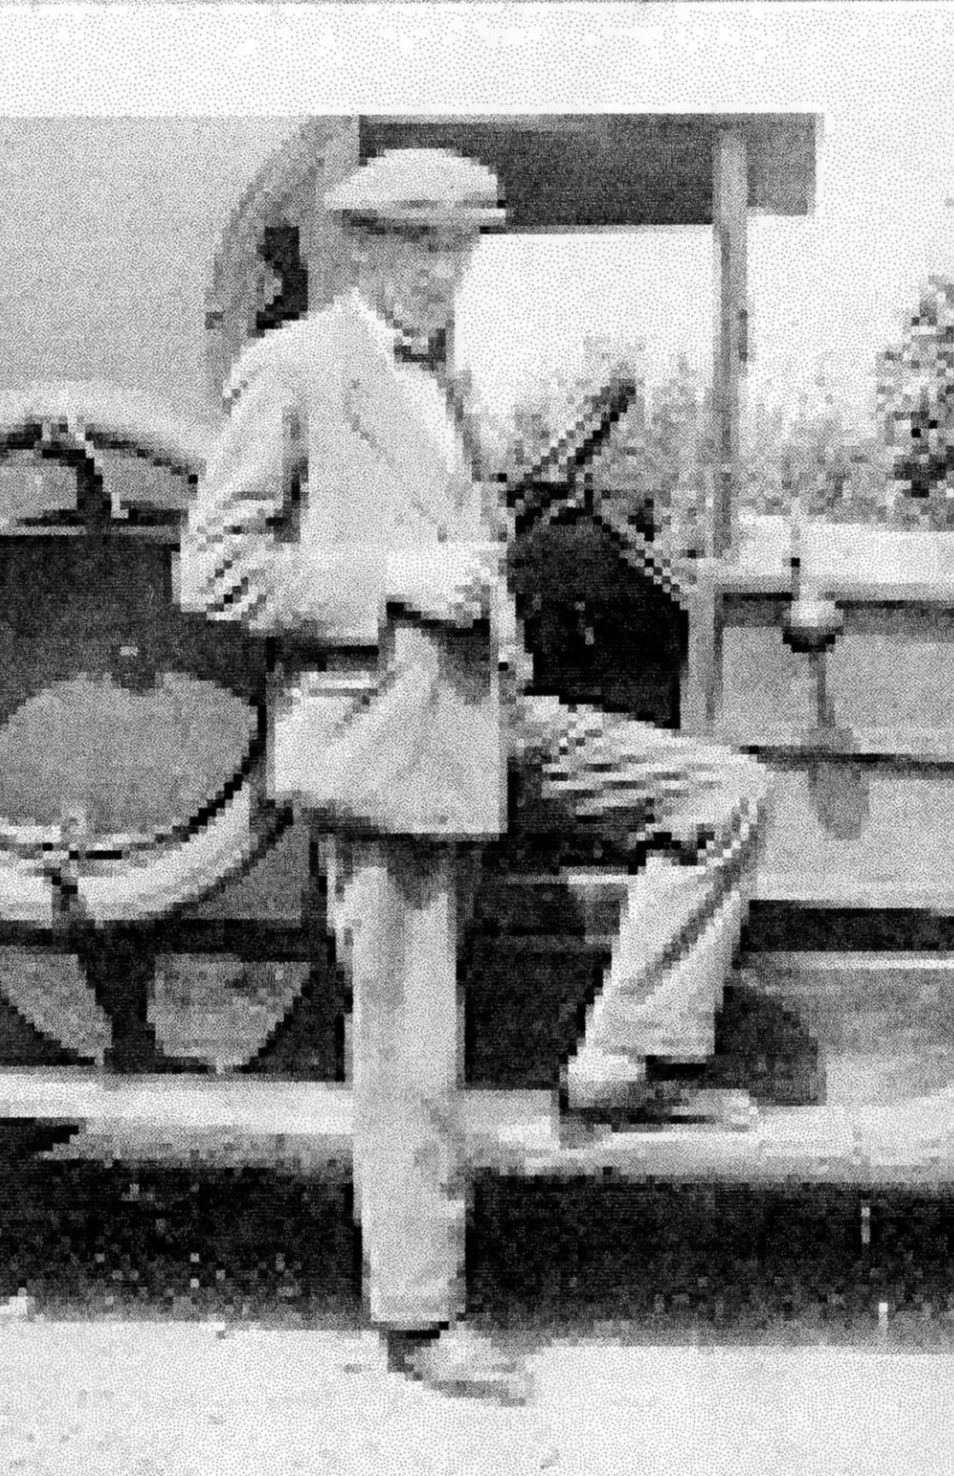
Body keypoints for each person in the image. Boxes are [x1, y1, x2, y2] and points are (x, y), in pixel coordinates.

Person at [176, 147, 772, 1403]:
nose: (442, 275)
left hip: (487, 718)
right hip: (383, 747)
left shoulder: (443, 376)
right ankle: (420, 1319)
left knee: (720, 795)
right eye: (418, 249)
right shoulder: (294, 369)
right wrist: (390, 579)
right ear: (362, 251)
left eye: (458, 251)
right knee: (410, 1052)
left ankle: (624, 1056)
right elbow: (214, 572)